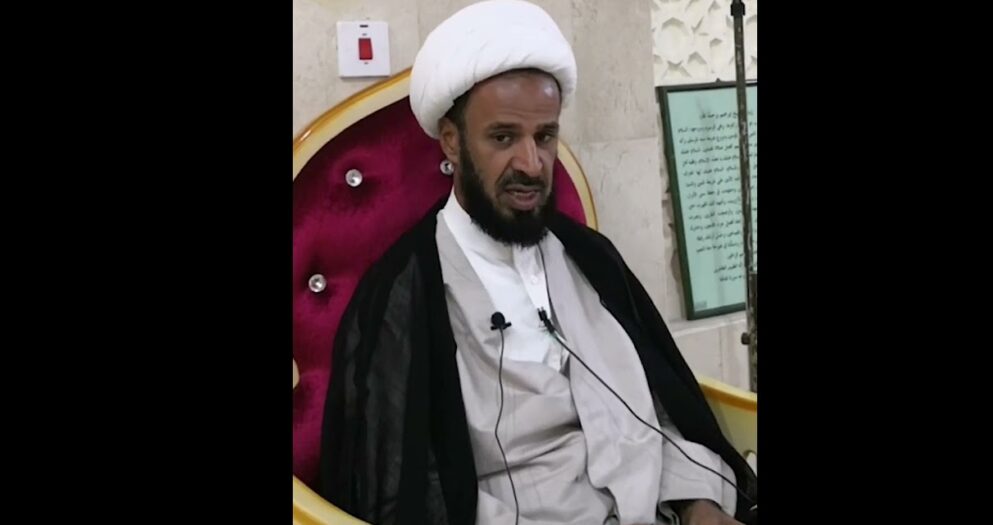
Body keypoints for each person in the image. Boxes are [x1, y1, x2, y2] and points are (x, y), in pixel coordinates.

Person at [319, 1, 758, 524]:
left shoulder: (590, 258)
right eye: (503, 137)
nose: (531, 164)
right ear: (452, 142)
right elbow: (405, 492)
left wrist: (697, 502)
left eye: (545, 137)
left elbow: (663, 411)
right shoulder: (402, 296)